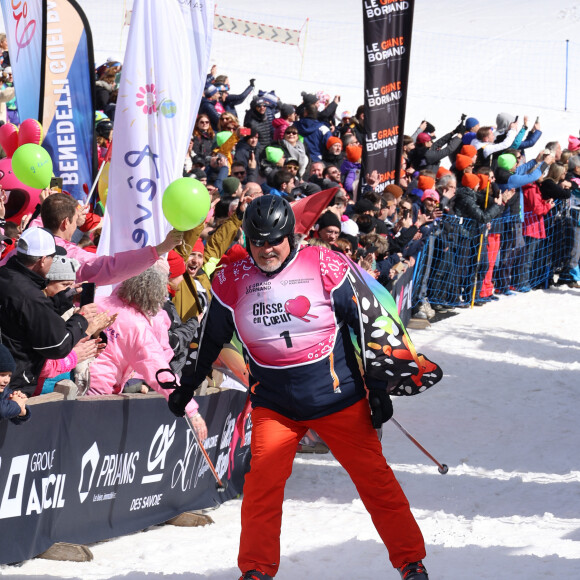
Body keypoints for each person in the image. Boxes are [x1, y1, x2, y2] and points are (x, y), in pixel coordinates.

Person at [168, 195, 441, 580]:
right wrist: (187, 386)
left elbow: (371, 324)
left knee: (375, 480)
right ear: (246, 238)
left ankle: (411, 561)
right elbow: (210, 338)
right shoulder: (231, 278)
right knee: (262, 484)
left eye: (275, 240)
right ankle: (256, 570)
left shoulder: (325, 265)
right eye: (258, 241)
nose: (267, 249)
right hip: (275, 404)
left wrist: (378, 389)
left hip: (338, 399)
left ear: (291, 235)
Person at [0, 228, 103, 395]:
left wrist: (63, 299)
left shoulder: (7, 276)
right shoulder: (30, 296)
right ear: (42, 260)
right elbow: (57, 345)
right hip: (12, 390)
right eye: (52, 258)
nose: (52, 262)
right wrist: (81, 319)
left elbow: (25, 316)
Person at [0, 343, 30, 424]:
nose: (7, 380)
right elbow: (2, 411)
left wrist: (22, 411)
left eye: (9, 375)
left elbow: (9, 411)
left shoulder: (4, 391)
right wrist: (16, 404)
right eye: (2, 375)